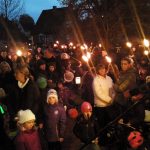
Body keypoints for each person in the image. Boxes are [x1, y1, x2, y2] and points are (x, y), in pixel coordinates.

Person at [92, 64, 116, 129]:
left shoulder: (109, 78)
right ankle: (103, 137)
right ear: (97, 71)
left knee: (111, 122)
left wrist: (113, 97)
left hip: (110, 104)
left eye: (103, 68)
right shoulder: (96, 80)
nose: (102, 70)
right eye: (100, 69)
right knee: (103, 124)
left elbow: (113, 89)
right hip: (101, 106)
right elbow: (99, 93)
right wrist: (109, 100)